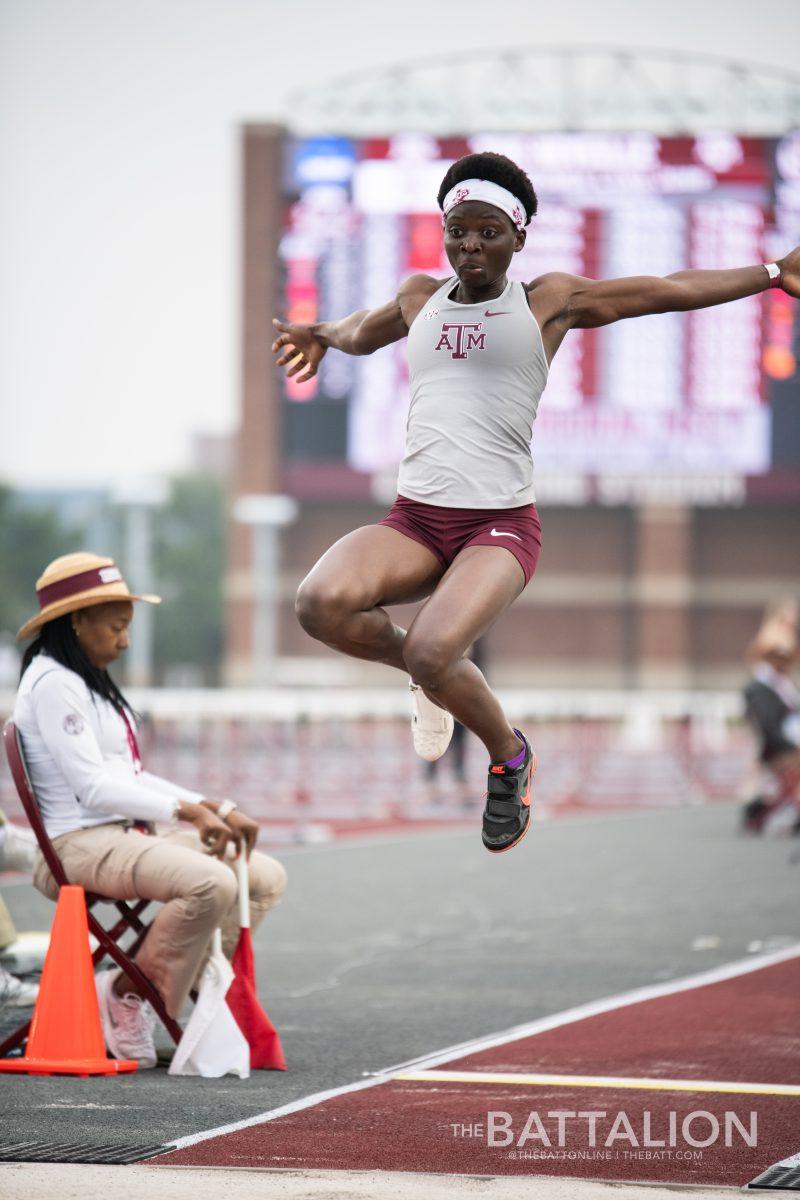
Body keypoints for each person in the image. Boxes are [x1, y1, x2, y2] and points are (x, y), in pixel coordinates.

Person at [272, 150, 800, 855]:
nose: (471, 245)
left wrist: (770, 274)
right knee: (319, 604)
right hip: (417, 520)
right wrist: (321, 336)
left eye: (489, 231)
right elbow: (358, 331)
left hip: (498, 527)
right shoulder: (417, 299)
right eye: (459, 230)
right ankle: (431, 678)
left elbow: (667, 287)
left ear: (519, 237)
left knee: (435, 647)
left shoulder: (546, 301)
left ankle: (508, 756)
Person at [13, 552, 287, 1066]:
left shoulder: (85, 680)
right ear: (76, 620)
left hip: (124, 835)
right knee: (212, 883)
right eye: (116, 628)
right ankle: (129, 994)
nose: (125, 641)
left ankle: (197, 991)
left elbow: (128, 777)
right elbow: (93, 788)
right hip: (77, 845)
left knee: (263, 874)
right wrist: (187, 811)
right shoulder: (54, 684)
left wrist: (215, 807)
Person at [741, 603, 800, 835]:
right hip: (782, 747)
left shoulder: (784, 687)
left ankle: (769, 806)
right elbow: (770, 730)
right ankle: (766, 807)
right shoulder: (763, 689)